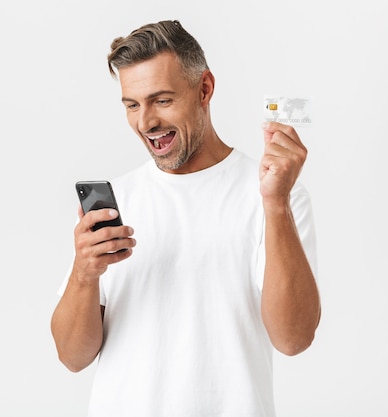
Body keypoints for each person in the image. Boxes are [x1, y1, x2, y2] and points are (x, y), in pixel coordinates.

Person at [50, 19, 321, 417]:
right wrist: (84, 275)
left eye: (161, 100)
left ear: (205, 89)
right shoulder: (116, 202)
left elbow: (294, 338)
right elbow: (72, 357)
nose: (145, 123)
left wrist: (275, 203)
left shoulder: (275, 194)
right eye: (132, 105)